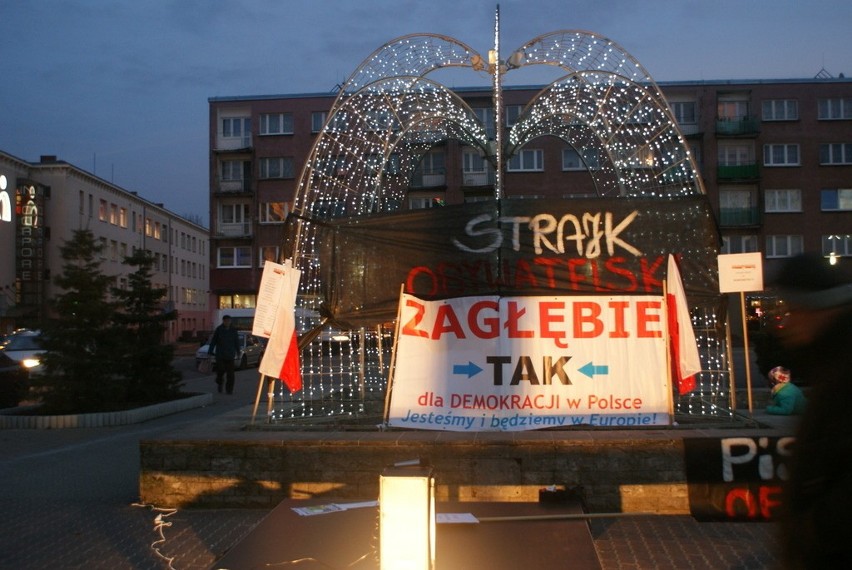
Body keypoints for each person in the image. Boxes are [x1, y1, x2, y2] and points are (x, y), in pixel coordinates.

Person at [770, 253, 852, 568]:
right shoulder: (831, 365)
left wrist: (810, 532)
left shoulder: (843, 374)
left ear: (820, 309)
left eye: (793, 310)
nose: (786, 323)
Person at [209, 315, 241, 394]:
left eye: (229, 321)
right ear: (223, 321)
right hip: (220, 355)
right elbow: (213, 341)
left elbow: (236, 342)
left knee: (231, 375)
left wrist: (238, 351)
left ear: (230, 322)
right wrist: (210, 351)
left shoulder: (233, 330)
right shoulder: (219, 330)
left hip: (230, 355)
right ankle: (219, 382)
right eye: (226, 321)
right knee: (221, 370)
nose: (227, 322)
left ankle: (229, 390)